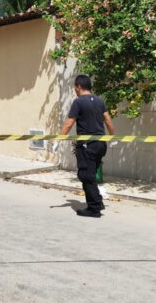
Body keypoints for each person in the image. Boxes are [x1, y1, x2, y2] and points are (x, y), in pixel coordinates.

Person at [57, 75, 115, 218]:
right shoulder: (99, 101)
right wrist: (113, 137)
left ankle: (94, 208)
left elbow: (69, 123)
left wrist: (58, 140)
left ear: (78, 87)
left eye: (75, 88)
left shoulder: (78, 102)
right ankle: (98, 202)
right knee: (90, 175)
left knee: (85, 175)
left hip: (87, 145)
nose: (75, 91)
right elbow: (107, 120)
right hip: (101, 144)